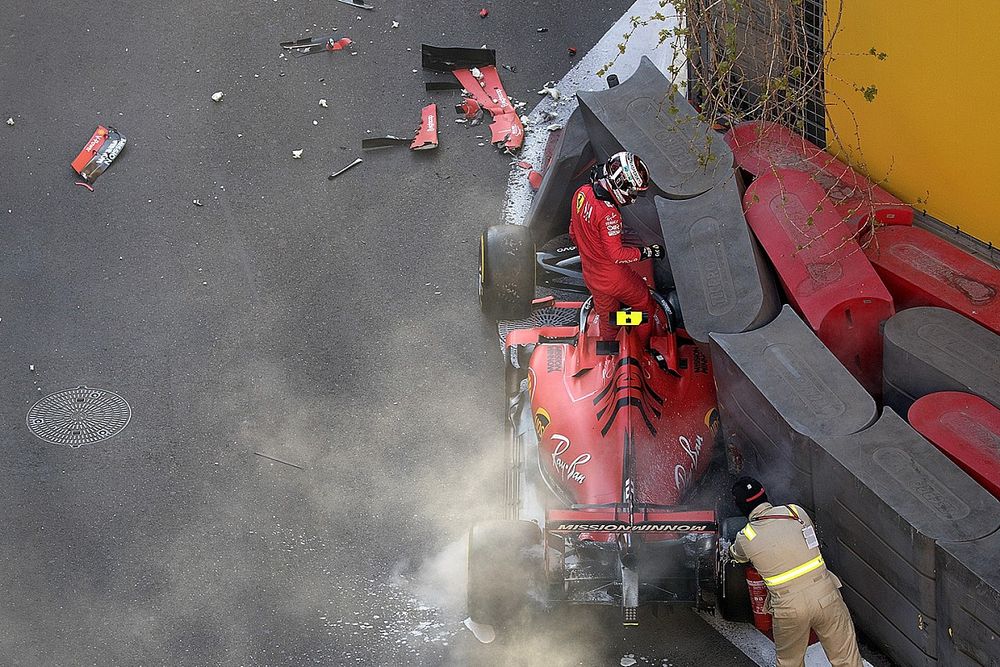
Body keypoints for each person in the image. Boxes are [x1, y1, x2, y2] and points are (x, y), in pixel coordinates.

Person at [730, 476, 863, 667]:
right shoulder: (795, 512)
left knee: (789, 663)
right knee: (847, 660)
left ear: (741, 507)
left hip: (788, 607)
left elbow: (737, 555)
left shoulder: (746, 537)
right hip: (826, 594)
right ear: (764, 494)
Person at [568, 151, 663, 341]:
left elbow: (573, 232)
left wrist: (591, 249)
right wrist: (648, 252)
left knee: (607, 317)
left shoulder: (581, 192)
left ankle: (609, 351)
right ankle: (643, 345)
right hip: (614, 277)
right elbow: (617, 255)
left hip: (591, 274)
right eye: (634, 190)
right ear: (622, 185)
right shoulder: (609, 214)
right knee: (645, 305)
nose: (634, 195)